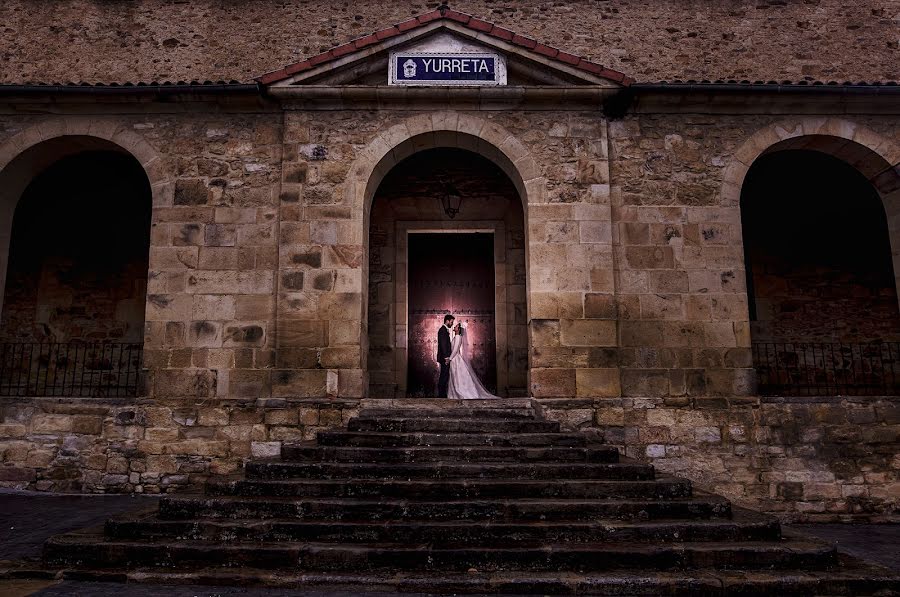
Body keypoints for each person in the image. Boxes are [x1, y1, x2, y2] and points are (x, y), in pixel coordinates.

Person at [447, 321, 500, 400]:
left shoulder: (458, 337)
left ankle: (461, 393)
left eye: (456, 326)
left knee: (457, 376)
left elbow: (455, 350)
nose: (454, 327)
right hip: (455, 359)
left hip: (455, 359)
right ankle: (454, 394)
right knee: (455, 376)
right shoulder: (456, 337)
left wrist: (450, 358)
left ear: (459, 329)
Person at [435, 313, 454, 397]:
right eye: (451, 322)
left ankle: (442, 394)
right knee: (444, 375)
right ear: (447, 321)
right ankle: (441, 395)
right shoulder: (443, 330)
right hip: (444, 358)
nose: (452, 324)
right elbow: (443, 344)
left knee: (445, 375)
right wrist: (446, 357)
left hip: (444, 357)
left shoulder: (444, 330)